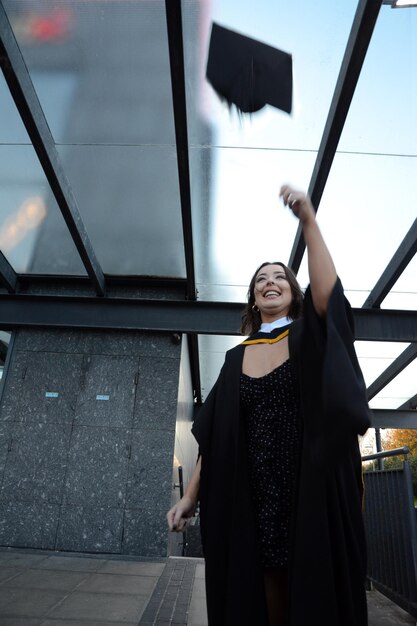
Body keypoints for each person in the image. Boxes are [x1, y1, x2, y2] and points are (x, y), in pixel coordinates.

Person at [167, 185, 371, 626]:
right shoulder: (233, 359)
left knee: (311, 590)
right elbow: (214, 440)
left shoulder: (306, 339)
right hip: (253, 493)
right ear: (253, 300)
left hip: (308, 489)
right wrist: (188, 498)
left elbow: (327, 297)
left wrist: (309, 222)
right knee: (261, 592)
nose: (270, 282)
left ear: (292, 292)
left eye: (279, 276)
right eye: (261, 280)